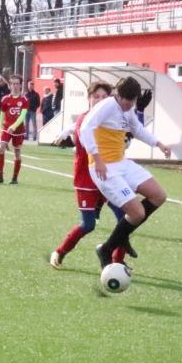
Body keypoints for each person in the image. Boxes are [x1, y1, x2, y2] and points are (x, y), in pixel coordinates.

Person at [79, 76, 172, 269]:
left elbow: (137, 129)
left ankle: (119, 237)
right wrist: (97, 159)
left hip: (122, 163)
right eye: (126, 100)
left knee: (159, 196)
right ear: (117, 95)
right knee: (137, 213)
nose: (129, 105)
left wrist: (159, 144)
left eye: (133, 101)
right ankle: (107, 249)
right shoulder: (106, 106)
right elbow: (85, 129)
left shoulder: (128, 108)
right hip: (105, 168)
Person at [51, 81, 131, 269]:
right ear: (89, 99)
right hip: (86, 179)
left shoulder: (114, 120)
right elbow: (86, 139)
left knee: (126, 219)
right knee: (88, 225)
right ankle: (60, 252)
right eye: (96, 97)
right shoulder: (84, 120)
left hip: (106, 178)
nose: (100, 100)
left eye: (104, 97)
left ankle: (118, 262)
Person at [0, 75, 29, 185]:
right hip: (6, 128)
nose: (15, 86)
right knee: (1, 148)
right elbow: (2, 116)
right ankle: (0, 176)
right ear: (10, 85)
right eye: (13, 84)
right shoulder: (5, 99)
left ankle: (14, 178)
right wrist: (0, 130)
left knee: (17, 152)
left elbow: (23, 116)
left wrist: (14, 126)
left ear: (20, 85)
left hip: (18, 130)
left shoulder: (24, 99)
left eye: (17, 83)